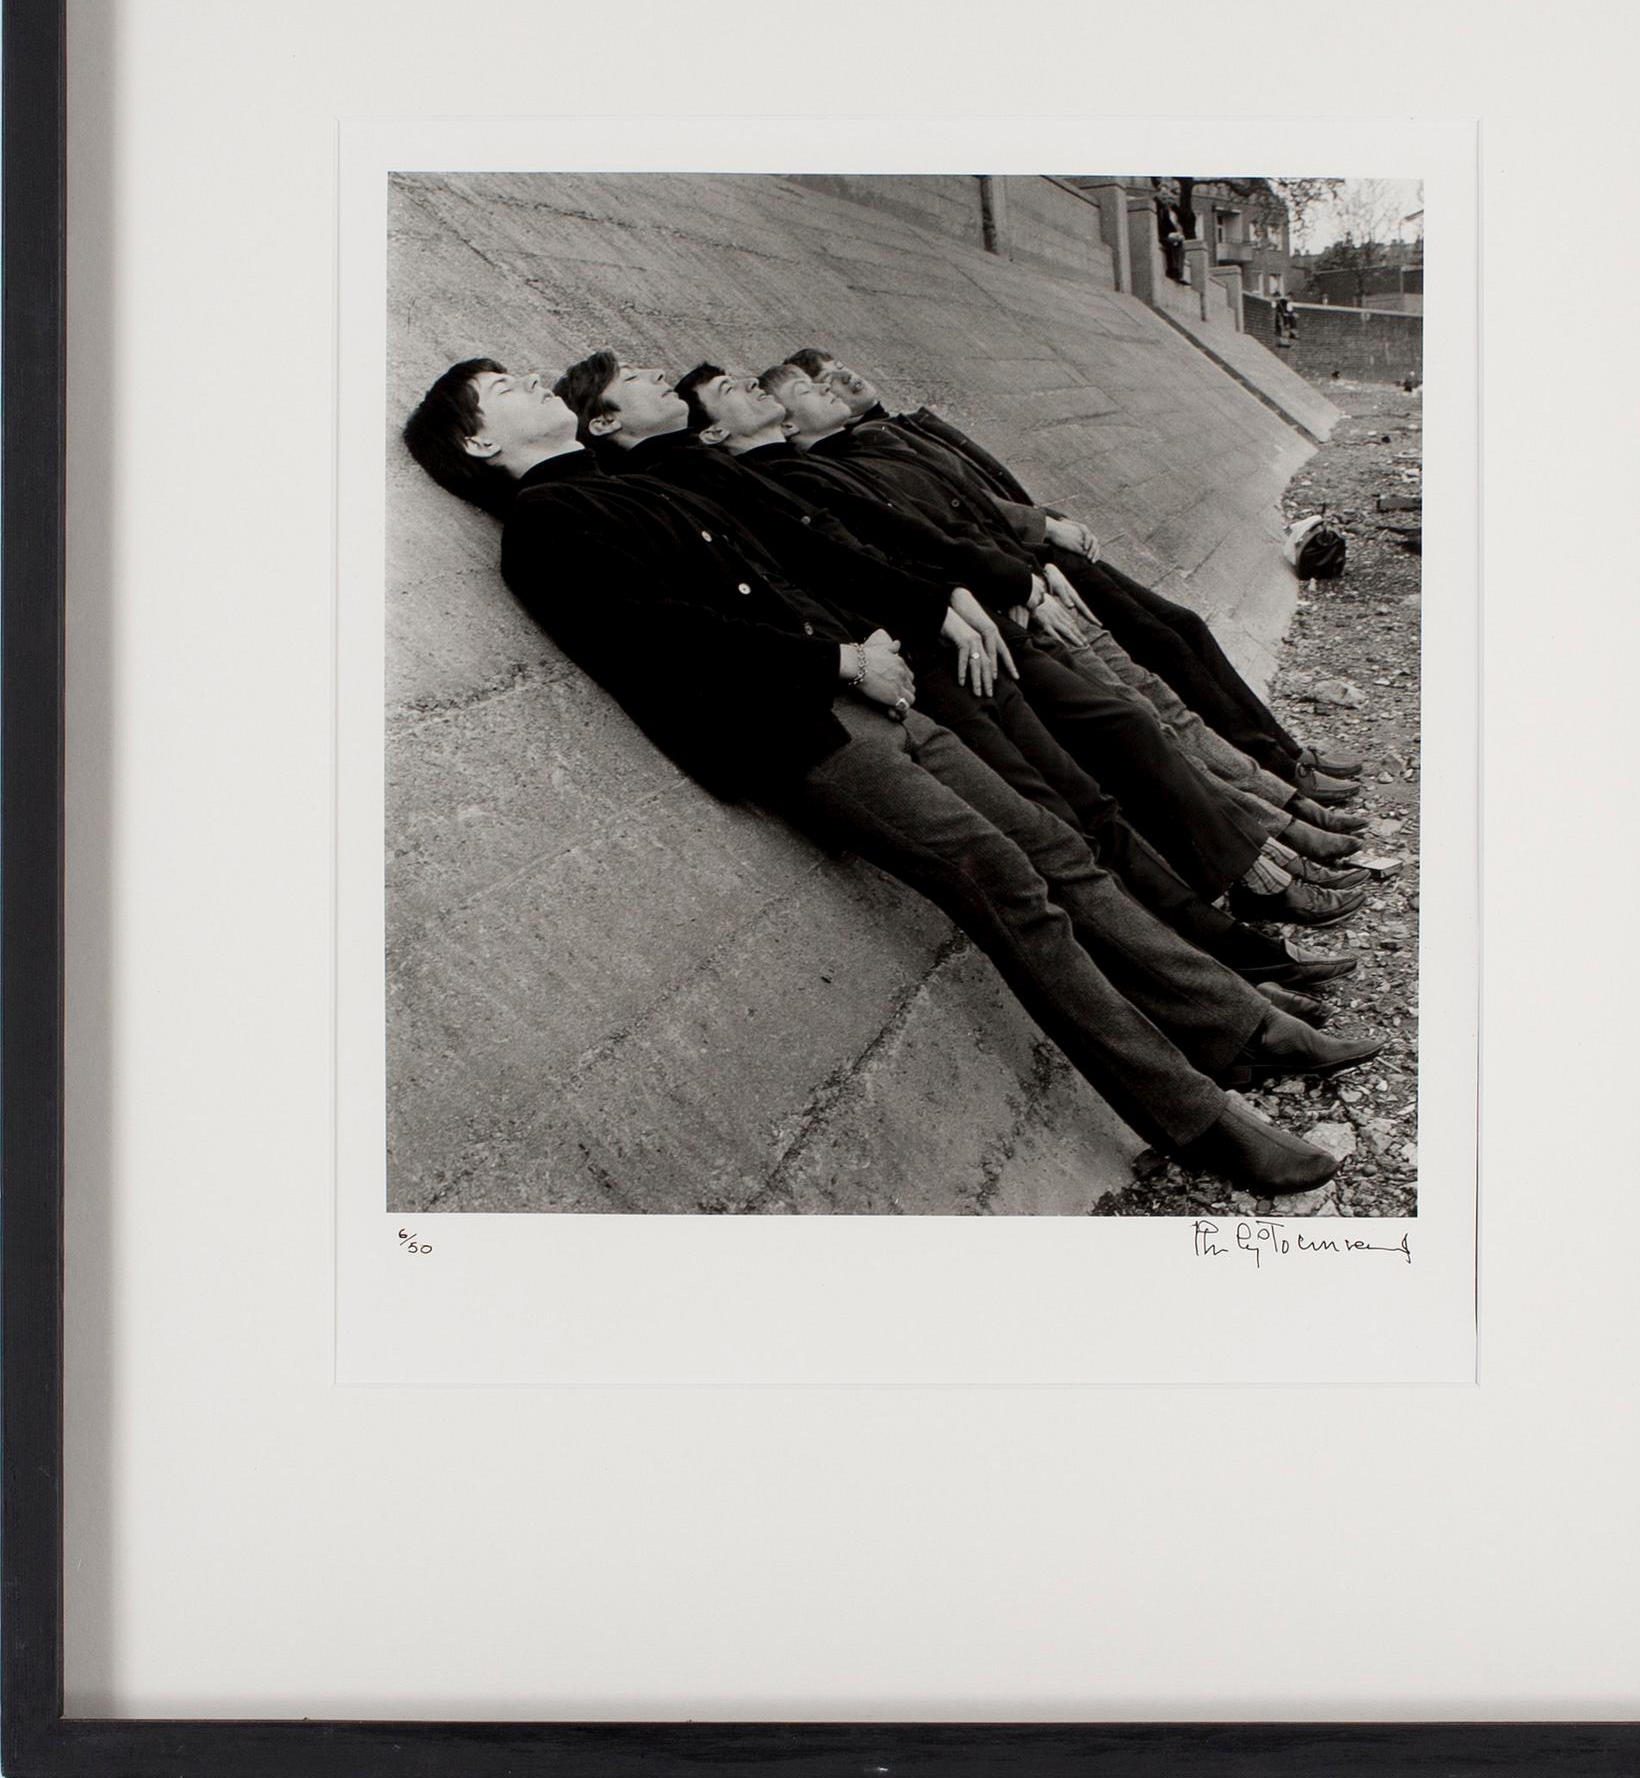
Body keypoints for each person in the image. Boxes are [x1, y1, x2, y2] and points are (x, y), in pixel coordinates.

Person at [402, 358, 1385, 1194]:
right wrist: (835, 660)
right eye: (503, 386)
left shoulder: (611, 482)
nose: (530, 377)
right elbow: (665, 629)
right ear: (481, 444)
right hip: (804, 733)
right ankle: (1197, 1116)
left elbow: (770, 569)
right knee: (1013, 889)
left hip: (871, 693)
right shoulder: (544, 520)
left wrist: (862, 641)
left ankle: (1239, 1025)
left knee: (1052, 850)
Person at [552, 350, 1357, 1001]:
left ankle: (1236, 916)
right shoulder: (687, 481)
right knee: (1077, 798)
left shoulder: (732, 470)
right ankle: (1227, 940)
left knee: (1101, 767)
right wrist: (940, 607)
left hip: (937, 631)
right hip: (911, 659)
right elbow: (827, 563)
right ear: (611, 421)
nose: (673, 381)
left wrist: (969, 589)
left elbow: (875, 535)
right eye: (654, 382)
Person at [782, 348, 1364, 805]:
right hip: (1029, 565)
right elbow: (955, 516)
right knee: (1160, 653)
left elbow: (977, 490)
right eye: (825, 382)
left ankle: (1285, 760)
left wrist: (1044, 524)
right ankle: (1281, 771)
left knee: (1177, 636)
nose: (845, 380)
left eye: (840, 369)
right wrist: (1037, 546)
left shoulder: (896, 427)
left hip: (1034, 555)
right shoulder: (854, 455)